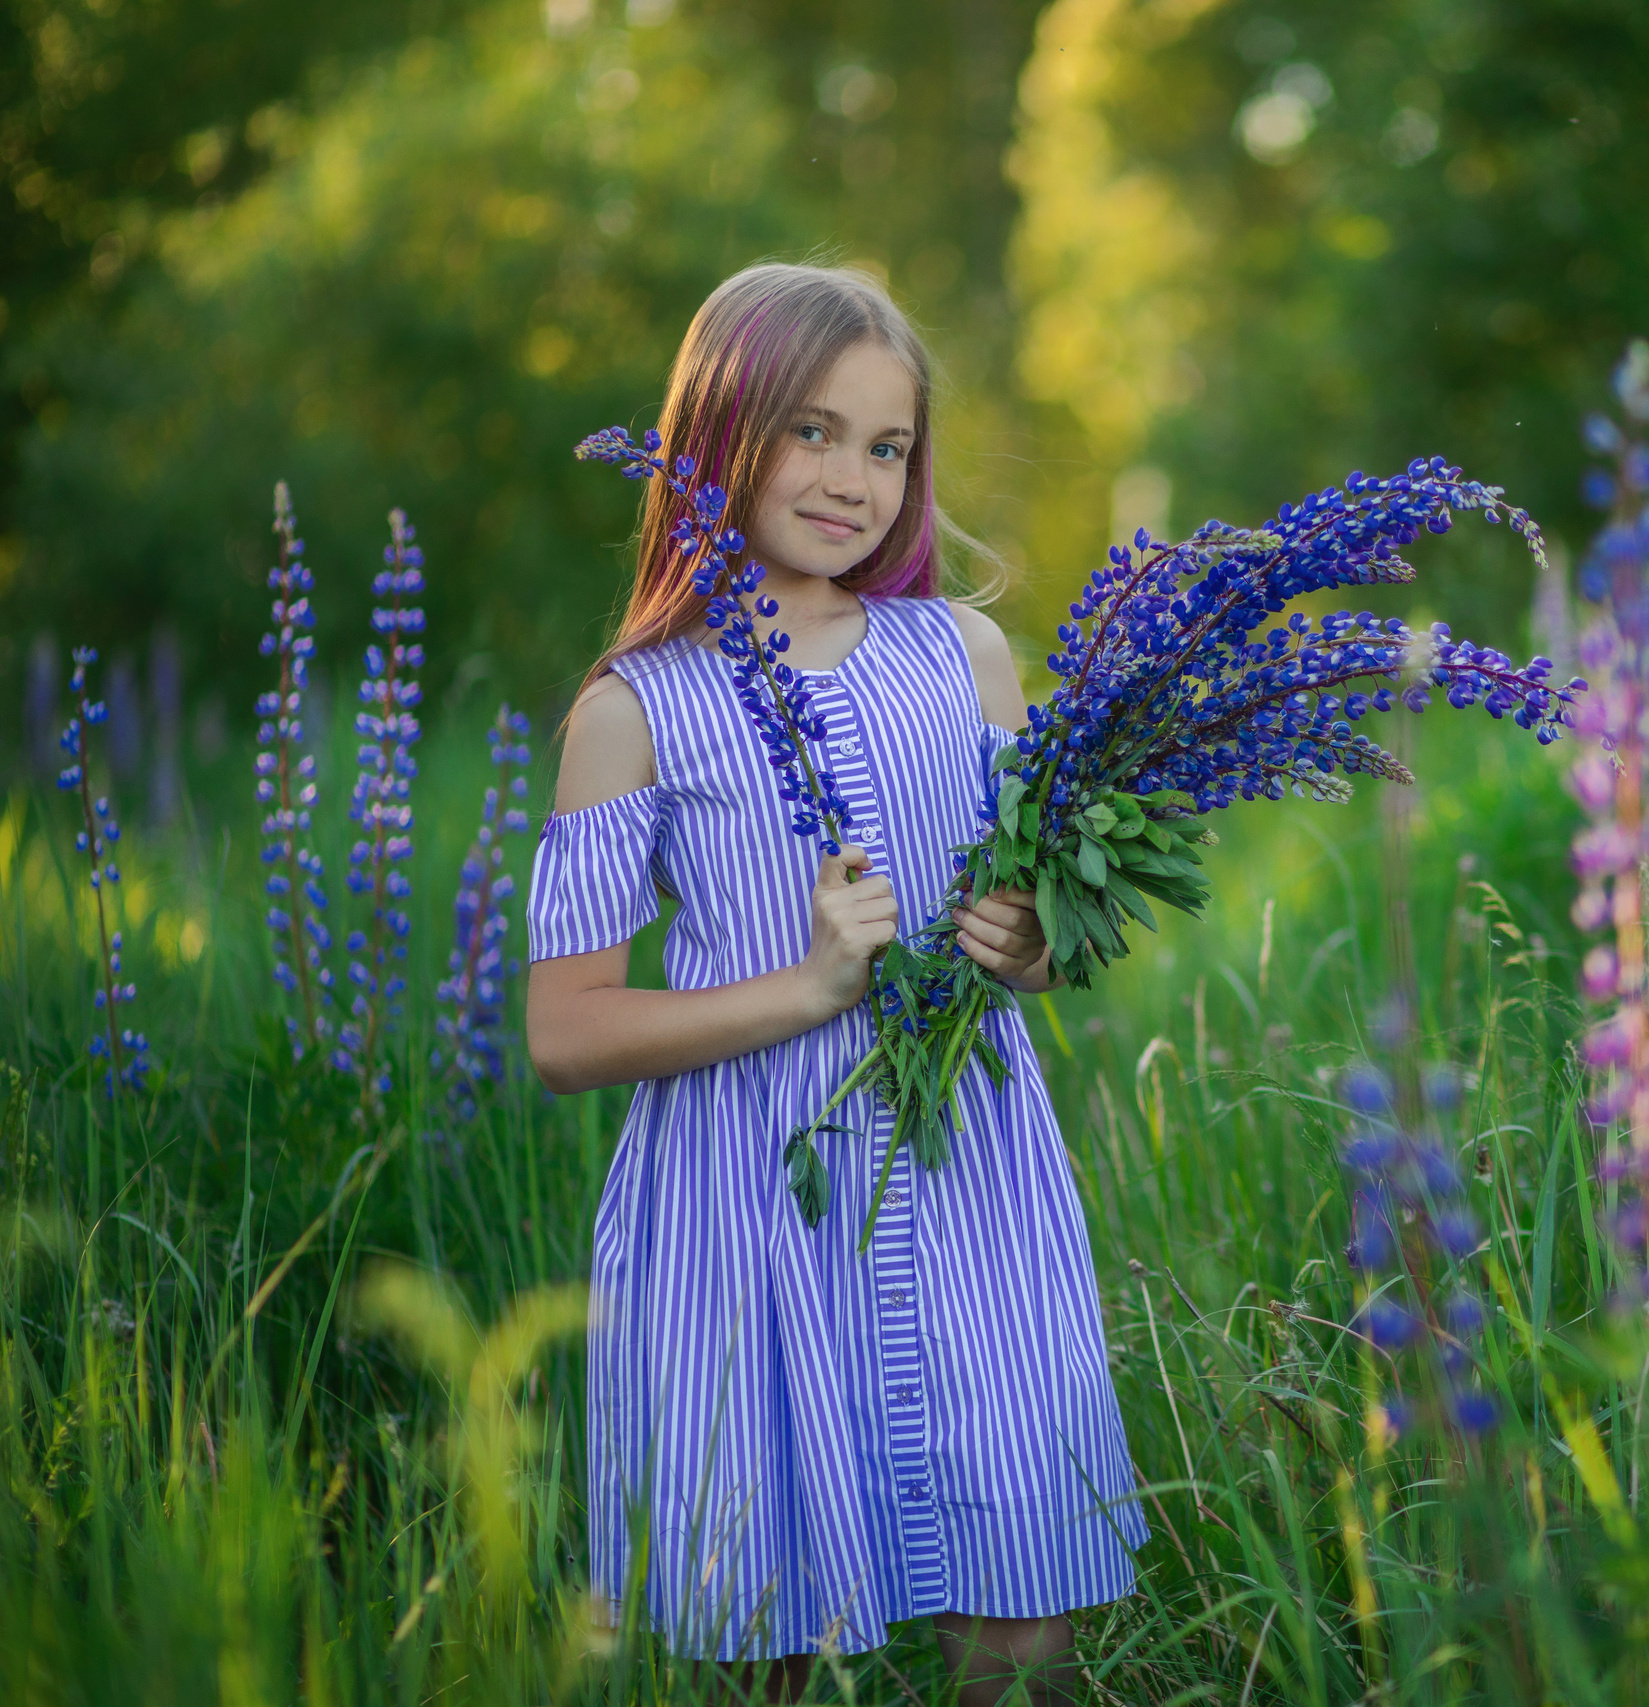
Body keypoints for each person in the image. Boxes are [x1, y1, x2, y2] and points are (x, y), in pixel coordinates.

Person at [525, 262, 1144, 1704]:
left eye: (887, 447)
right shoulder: (634, 710)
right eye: (810, 431)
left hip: (970, 1166)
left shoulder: (968, 656)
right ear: (720, 432)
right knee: (773, 1627)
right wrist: (807, 991)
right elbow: (565, 1032)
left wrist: (1038, 947)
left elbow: (1054, 925)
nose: (852, 480)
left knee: (1017, 1594)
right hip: (747, 1195)